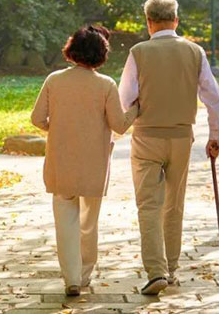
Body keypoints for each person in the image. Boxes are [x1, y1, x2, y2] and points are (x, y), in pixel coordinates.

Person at [118, 0, 219, 295]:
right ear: (176, 20)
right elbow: (213, 97)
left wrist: (120, 126)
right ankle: (173, 270)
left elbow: (125, 98)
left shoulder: (139, 52)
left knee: (148, 205)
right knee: (174, 205)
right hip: (181, 138)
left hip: (146, 137)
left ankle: (156, 272)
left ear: (149, 22)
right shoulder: (194, 52)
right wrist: (214, 134)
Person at [31, 25, 138, 297]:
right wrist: (135, 108)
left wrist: (56, 128)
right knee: (89, 223)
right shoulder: (106, 85)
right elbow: (119, 124)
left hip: (61, 162)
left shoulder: (54, 80)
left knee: (64, 222)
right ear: (101, 54)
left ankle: (71, 278)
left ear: (72, 50)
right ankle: (85, 274)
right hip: (94, 163)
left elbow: (37, 118)